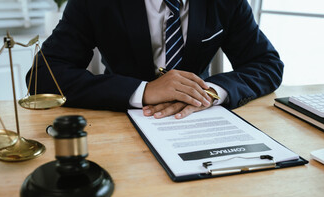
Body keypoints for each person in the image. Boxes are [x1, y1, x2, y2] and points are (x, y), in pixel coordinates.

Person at [28, 0, 283, 119]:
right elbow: (42, 77)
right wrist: (144, 91)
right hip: (119, 117)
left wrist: (211, 92)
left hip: (200, 117)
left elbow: (267, 64)